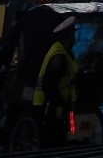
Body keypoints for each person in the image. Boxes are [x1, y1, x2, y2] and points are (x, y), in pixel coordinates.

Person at [32, 18, 77, 147]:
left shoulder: (63, 53)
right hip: (50, 105)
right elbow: (49, 84)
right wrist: (60, 103)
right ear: (66, 37)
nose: (73, 39)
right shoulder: (59, 56)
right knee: (52, 141)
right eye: (72, 35)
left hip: (55, 104)